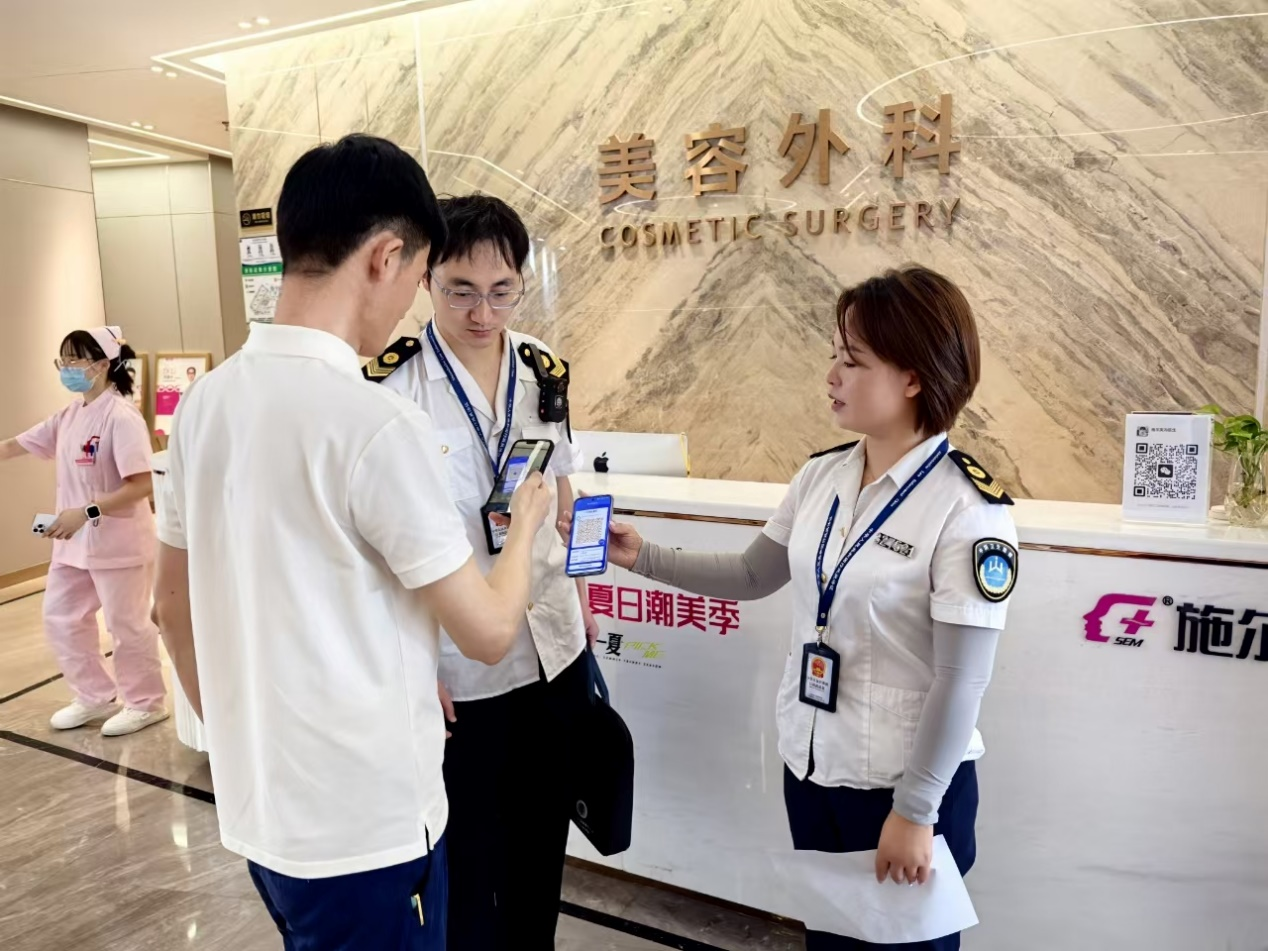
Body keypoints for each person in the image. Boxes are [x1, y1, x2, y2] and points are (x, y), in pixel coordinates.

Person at [152, 135, 554, 951]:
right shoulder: (376, 421)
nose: (410, 303)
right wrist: (527, 526)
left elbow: (169, 608)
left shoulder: (206, 403)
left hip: (264, 818)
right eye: (423, 277)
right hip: (369, 827)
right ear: (386, 256)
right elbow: (486, 631)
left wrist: (241, 749)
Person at [575, 266, 1019, 950]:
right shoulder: (822, 475)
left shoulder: (967, 509)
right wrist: (643, 556)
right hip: (813, 769)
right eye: (835, 354)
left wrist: (915, 810)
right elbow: (754, 573)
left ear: (913, 378)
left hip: (903, 790)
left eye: (853, 360)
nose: (831, 375)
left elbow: (963, 679)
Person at [363, 193, 594, 950]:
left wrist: (583, 597)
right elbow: (376, 553)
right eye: (461, 290)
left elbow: (562, 486)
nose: (483, 313)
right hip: (459, 672)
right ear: (426, 278)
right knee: (467, 866)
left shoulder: (541, 369)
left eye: (502, 291)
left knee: (540, 858)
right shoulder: (391, 391)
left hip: (551, 648)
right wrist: (413, 659)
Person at [0, 326, 166, 736]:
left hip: (118, 543)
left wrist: (87, 511)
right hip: (73, 545)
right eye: (64, 361)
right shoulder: (70, 415)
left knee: (127, 626)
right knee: (62, 618)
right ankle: (93, 696)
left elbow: (143, 484)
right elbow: (16, 445)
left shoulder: (121, 417)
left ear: (103, 364)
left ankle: (146, 703)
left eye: (75, 360)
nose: (68, 368)